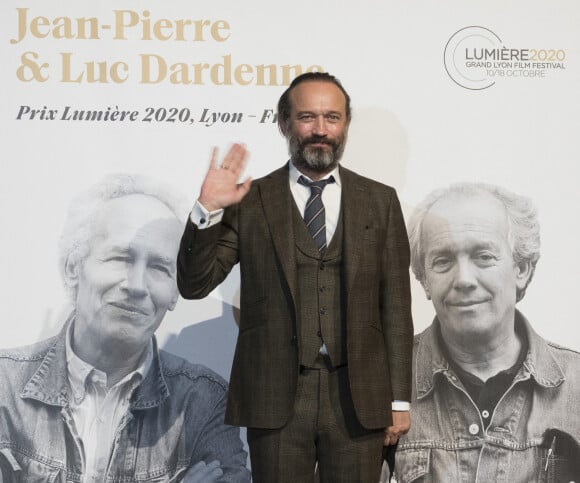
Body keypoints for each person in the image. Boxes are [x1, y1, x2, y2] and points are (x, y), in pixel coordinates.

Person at [177, 72, 414, 482]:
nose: (320, 130)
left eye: (332, 118)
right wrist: (208, 209)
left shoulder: (380, 201)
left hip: (359, 399)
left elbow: (395, 305)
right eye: (307, 117)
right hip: (274, 399)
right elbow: (194, 284)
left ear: (345, 125)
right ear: (284, 123)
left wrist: (398, 400)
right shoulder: (250, 200)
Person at [0, 174, 250, 482]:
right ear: (73, 268)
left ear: (175, 291)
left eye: (159, 267)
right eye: (120, 258)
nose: (136, 286)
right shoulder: (4, 388)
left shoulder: (203, 400)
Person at [394, 182, 580, 482]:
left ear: (522, 269)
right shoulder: (378, 387)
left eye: (483, 256)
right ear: (424, 279)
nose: (464, 279)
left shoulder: (577, 390)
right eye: (443, 261)